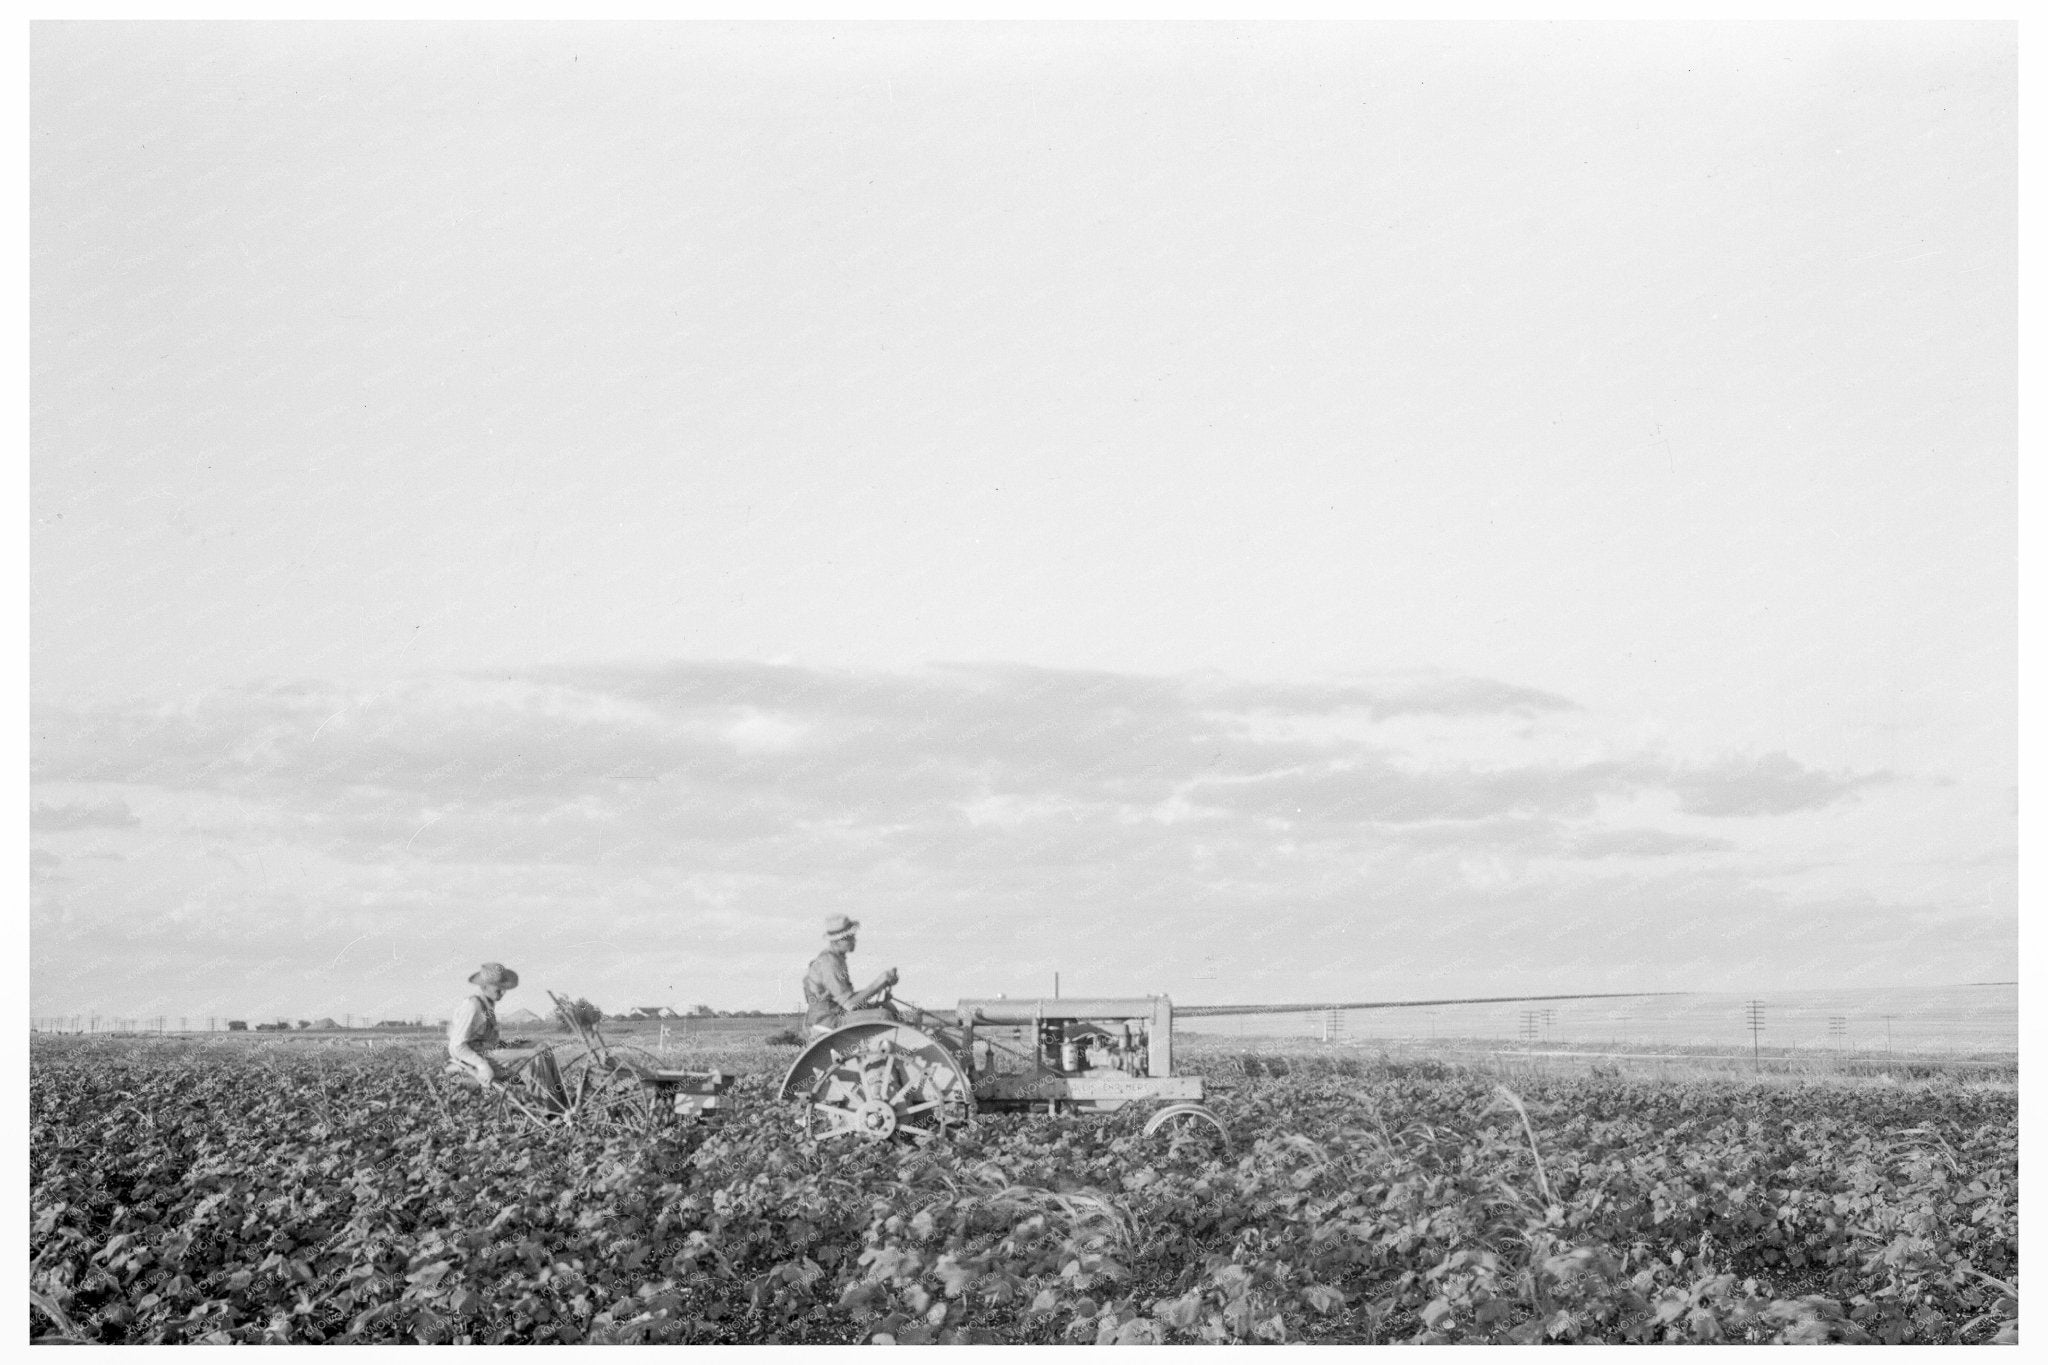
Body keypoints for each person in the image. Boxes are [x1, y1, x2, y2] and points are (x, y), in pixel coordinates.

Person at [802, 915, 898, 1035]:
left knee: (888, 1007)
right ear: (838, 941)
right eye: (849, 937)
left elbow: (847, 1000)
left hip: (835, 1015)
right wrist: (878, 983)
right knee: (883, 1015)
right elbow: (850, 1004)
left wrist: (883, 984)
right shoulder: (829, 963)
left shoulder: (836, 959)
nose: (854, 940)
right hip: (828, 1022)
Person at [447, 961, 531, 1087]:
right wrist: (482, 1066)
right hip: (478, 1058)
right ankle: (544, 1096)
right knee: (533, 1055)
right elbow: (457, 1046)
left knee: (538, 1047)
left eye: (504, 988)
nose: (502, 992)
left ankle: (554, 1096)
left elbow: (486, 1039)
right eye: (498, 988)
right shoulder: (473, 1007)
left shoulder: (488, 1005)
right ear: (485, 986)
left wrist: (510, 1043)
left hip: (489, 1052)